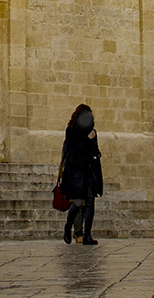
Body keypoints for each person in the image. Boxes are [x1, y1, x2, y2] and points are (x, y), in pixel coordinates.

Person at [58, 104, 104, 245]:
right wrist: (88, 139)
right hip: (76, 172)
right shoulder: (71, 131)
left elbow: (94, 150)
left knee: (90, 201)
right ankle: (68, 226)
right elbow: (75, 150)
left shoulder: (92, 131)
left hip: (89, 170)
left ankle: (87, 235)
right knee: (77, 203)